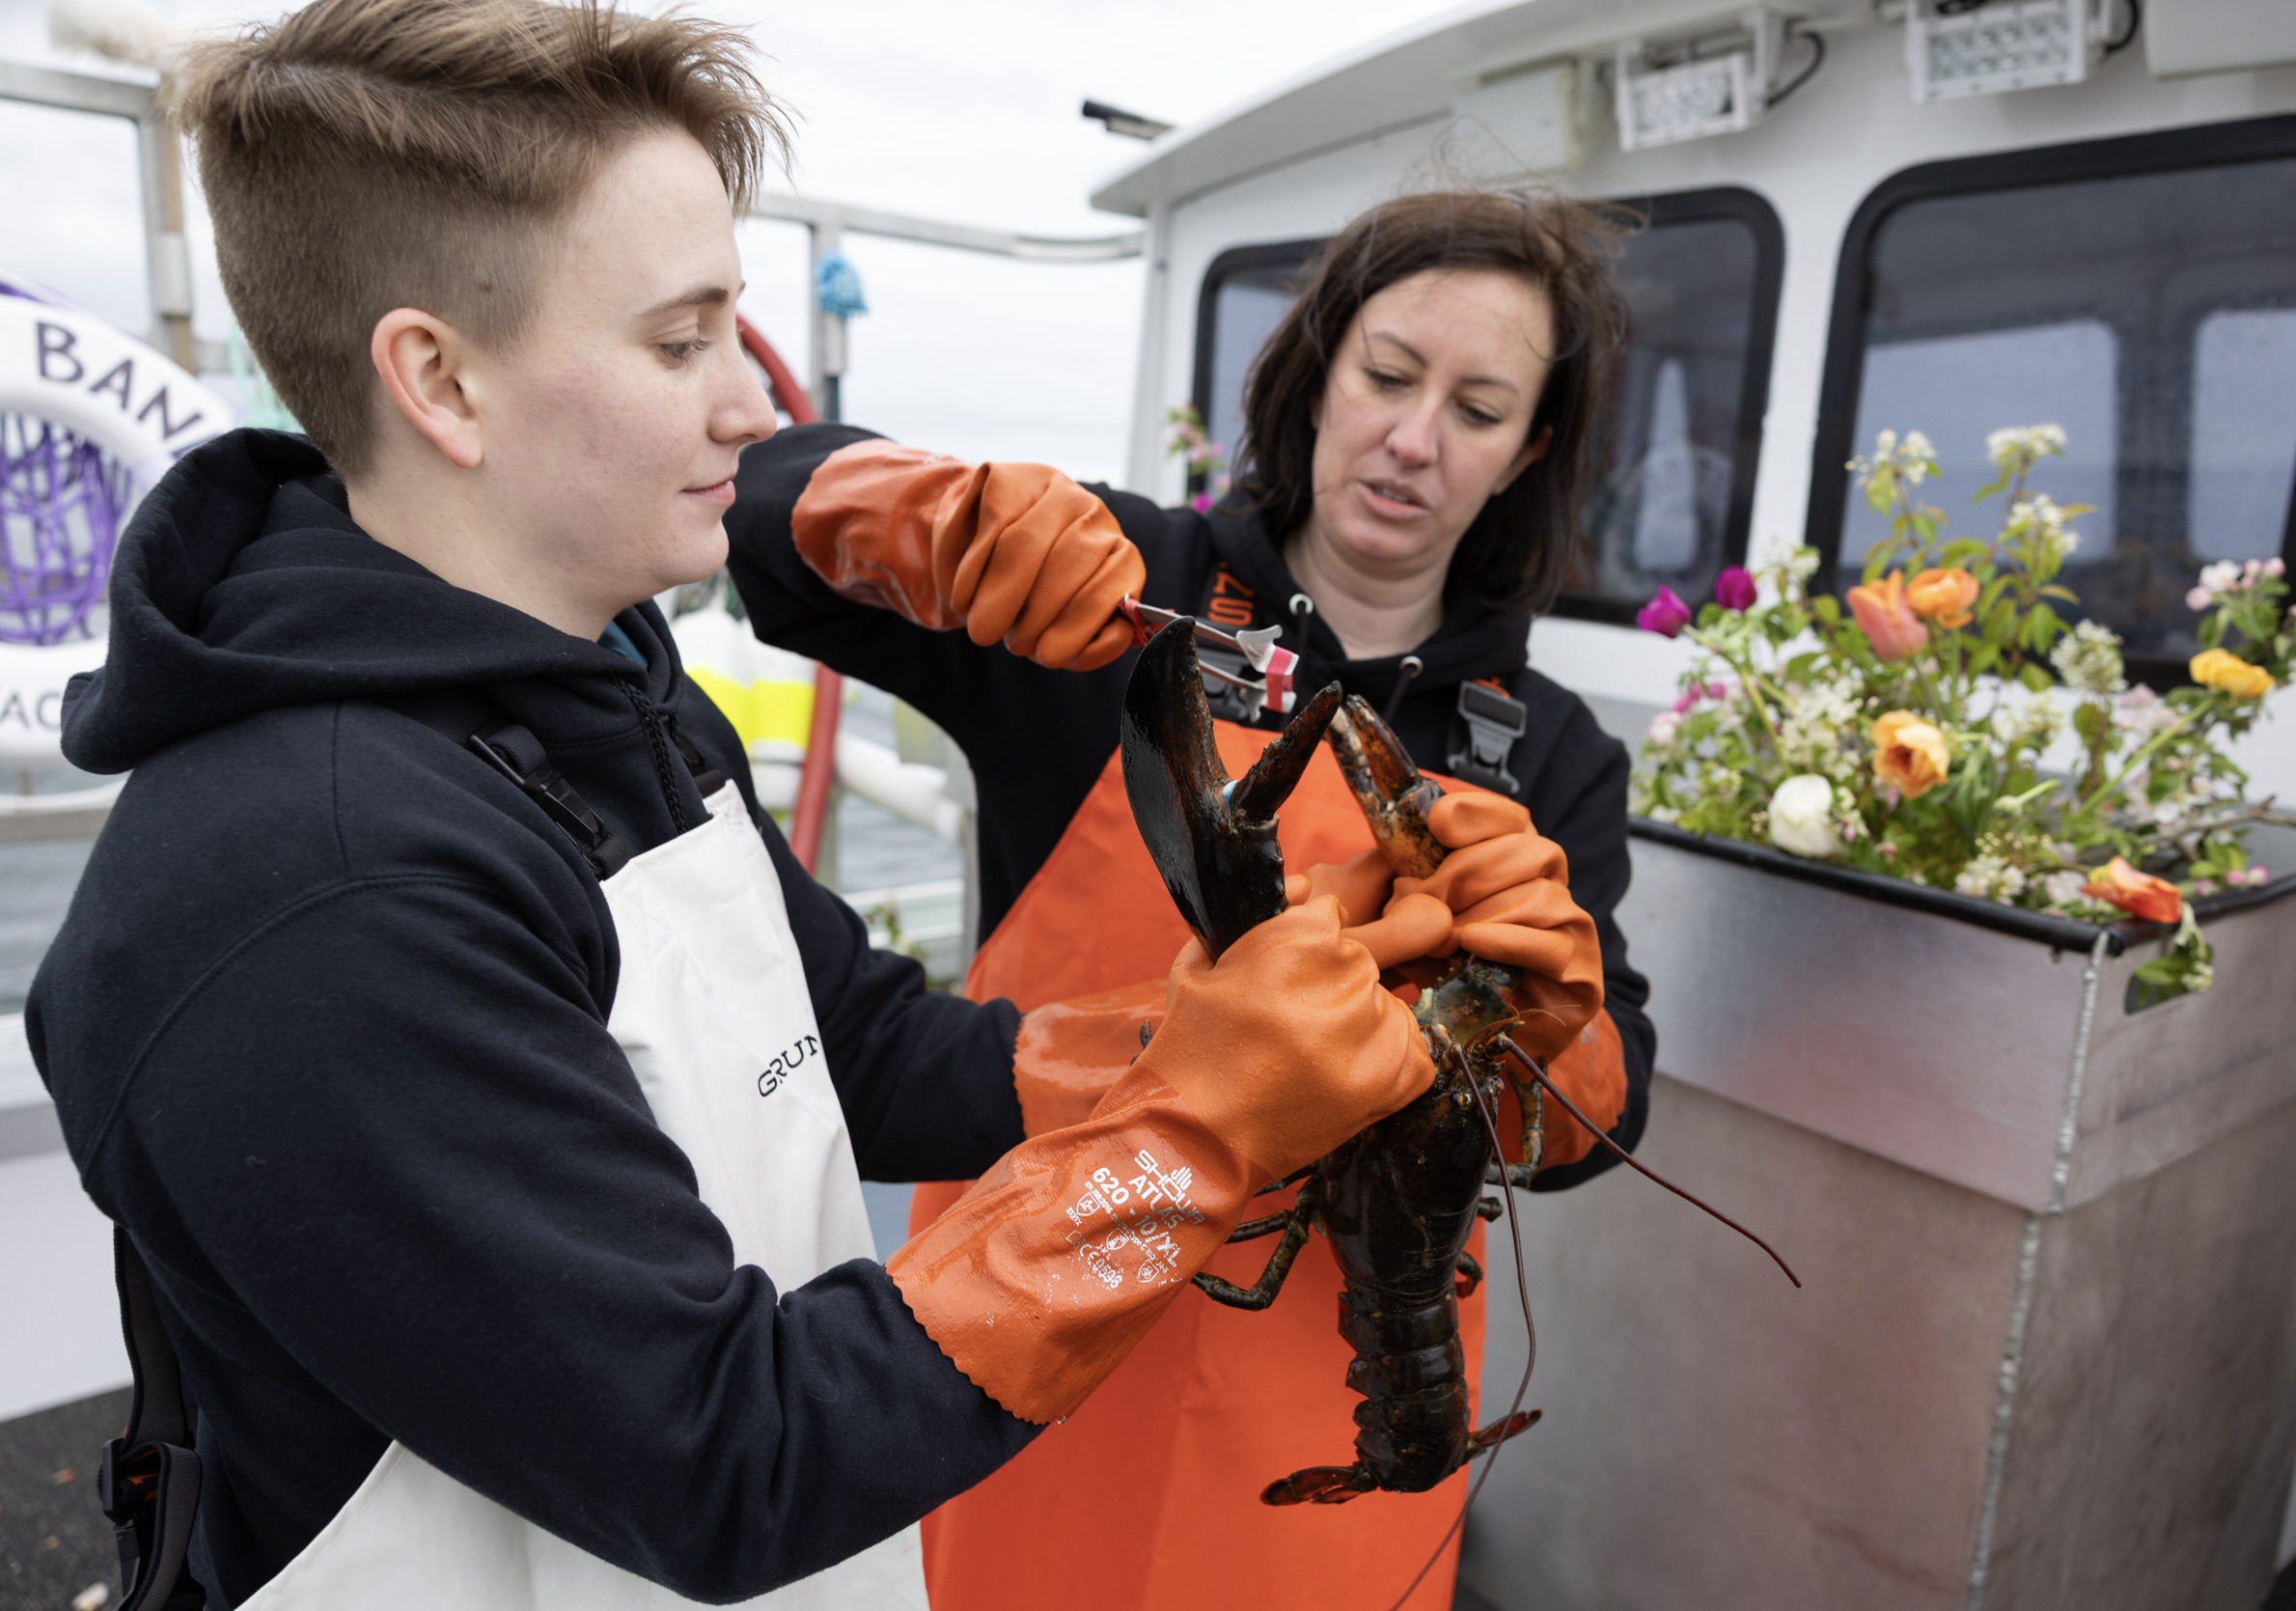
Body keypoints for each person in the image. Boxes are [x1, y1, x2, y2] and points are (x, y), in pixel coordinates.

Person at [25, 4, 1442, 1608]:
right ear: (440, 380)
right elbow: (721, 1457)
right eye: (678, 341)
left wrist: (1214, 1037)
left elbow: (855, 1046)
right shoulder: (319, 893)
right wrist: (1197, 1129)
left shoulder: (609, 685)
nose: (748, 408)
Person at [724, 188, 1654, 1611]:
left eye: (1477, 409)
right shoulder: (1125, 580)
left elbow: (1601, 1121)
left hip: (1333, 1406)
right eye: (1388, 375)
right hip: (1016, 1350)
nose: (1413, 439)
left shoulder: (1557, 753)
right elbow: (754, 525)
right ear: (1319, 372)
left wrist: (1555, 1026)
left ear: (1527, 450)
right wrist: (914, 510)